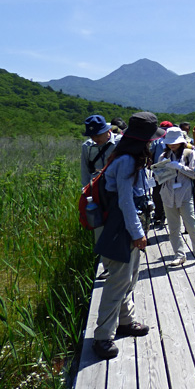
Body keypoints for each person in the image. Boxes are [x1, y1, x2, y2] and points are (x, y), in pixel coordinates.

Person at [91, 112, 164, 360]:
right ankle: (102, 337)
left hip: (127, 224)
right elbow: (125, 201)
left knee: (129, 276)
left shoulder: (132, 158)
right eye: (151, 139)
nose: (153, 142)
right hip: (121, 225)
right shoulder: (126, 162)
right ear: (142, 139)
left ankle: (125, 321)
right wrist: (137, 233)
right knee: (118, 280)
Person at [156, 127, 195, 266]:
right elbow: (159, 177)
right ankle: (179, 255)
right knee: (173, 227)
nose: (172, 145)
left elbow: (194, 174)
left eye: (174, 142)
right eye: (170, 142)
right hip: (168, 194)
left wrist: (179, 167)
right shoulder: (163, 156)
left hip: (185, 193)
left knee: (192, 225)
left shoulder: (189, 153)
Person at [81, 115, 121, 280]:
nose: (95, 138)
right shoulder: (87, 147)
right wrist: (85, 193)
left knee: (119, 228)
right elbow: (85, 170)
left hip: (117, 191)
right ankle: (107, 266)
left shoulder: (120, 143)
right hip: (96, 193)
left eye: (98, 134)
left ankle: (122, 264)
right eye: (92, 135)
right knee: (99, 229)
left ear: (108, 131)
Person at [149, 121, 174, 228]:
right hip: (173, 168)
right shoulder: (175, 139)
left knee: (157, 192)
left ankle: (159, 215)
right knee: (172, 191)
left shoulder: (156, 140)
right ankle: (171, 215)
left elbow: (150, 152)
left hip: (159, 169)